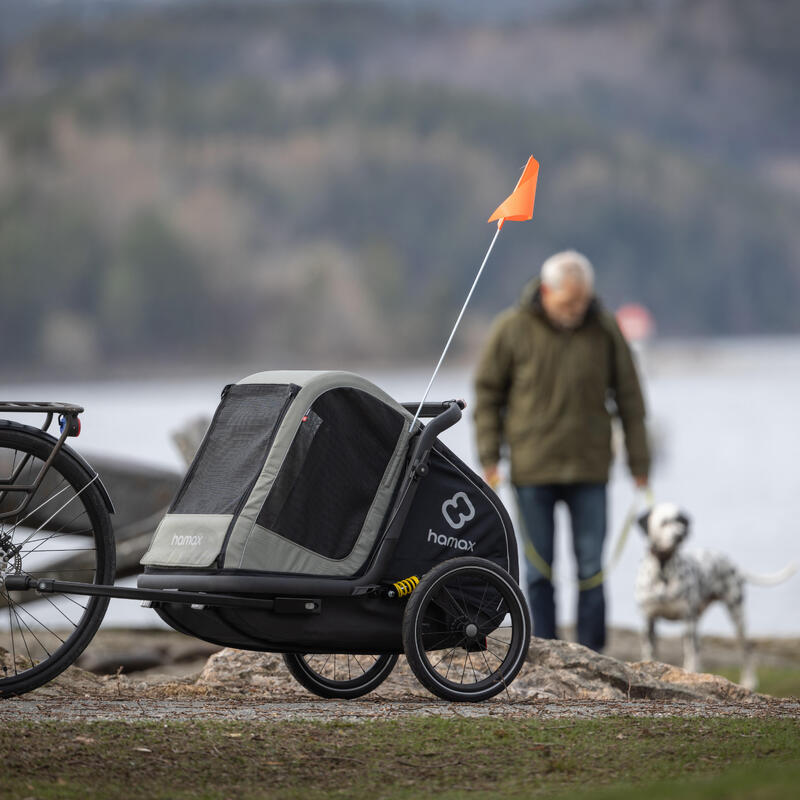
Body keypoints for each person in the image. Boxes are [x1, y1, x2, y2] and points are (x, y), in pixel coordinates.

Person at [473, 250, 650, 651]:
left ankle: (592, 653)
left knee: (591, 569)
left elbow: (630, 398)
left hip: (590, 469)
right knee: (538, 571)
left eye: (582, 301)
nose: (576, 309)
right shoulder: (511, 328)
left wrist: (640, 463)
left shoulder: (605, 329)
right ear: (547, 291)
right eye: (569, 302)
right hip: (532, 471)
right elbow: (487, 395)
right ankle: (543, 650)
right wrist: (489, 456)